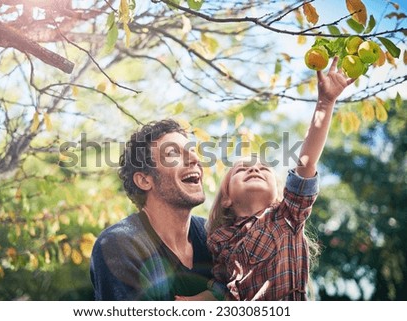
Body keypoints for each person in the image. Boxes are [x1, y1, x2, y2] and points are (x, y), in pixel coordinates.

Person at [175, 57, 355, 301]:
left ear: (279, 194)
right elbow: (222, 289)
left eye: (264, 168)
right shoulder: (219, 240)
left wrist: (325, 103)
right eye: (241, 169)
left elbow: (306, 162)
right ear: (226, 198)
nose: (254, 169)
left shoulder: (287, 217)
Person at [90, 119, 213, 300]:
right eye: (173, 153)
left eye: (193, 151)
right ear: (145, 180)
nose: (194, 159)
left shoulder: (212, 235)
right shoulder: (119, 244)